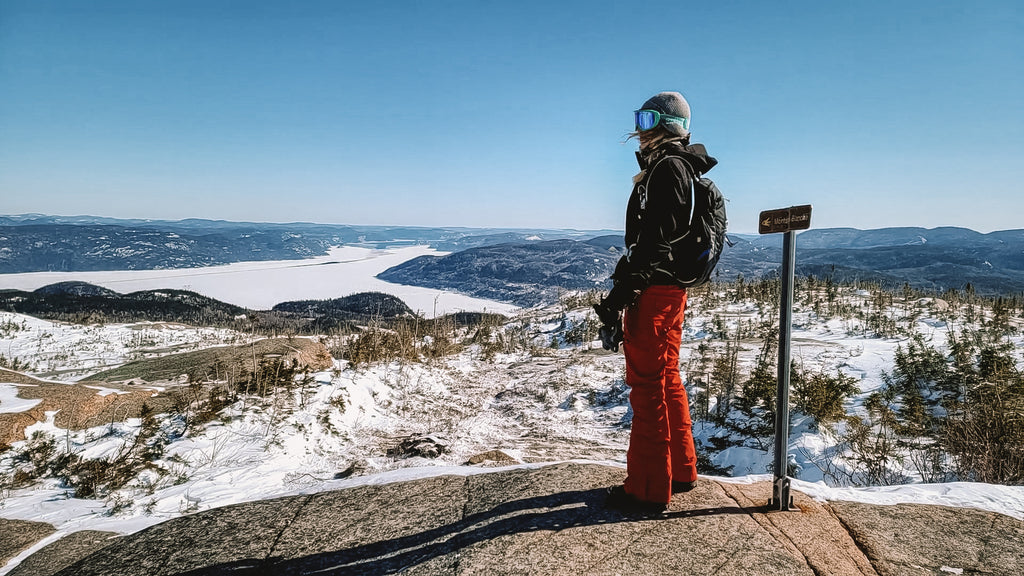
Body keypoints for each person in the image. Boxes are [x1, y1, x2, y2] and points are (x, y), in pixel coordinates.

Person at [594, 91, 718, 513]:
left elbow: (653, 245)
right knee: (666, 377)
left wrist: (619, 297)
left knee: (647, 385)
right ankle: (680, 471)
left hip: (653, 292)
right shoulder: (679, 167)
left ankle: (646, 489)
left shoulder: (668, 169)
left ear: (668, 126)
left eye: (647, 120)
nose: (639, 131)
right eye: (639, 119)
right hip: (670, 291)